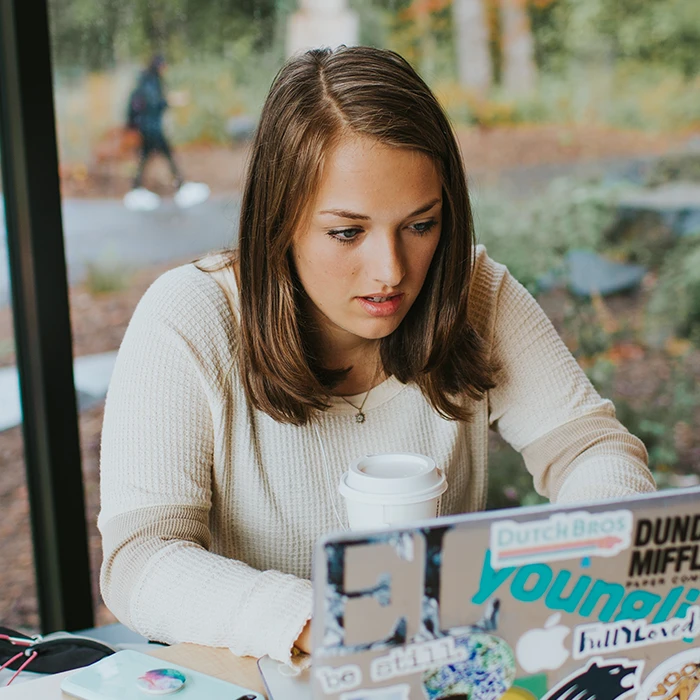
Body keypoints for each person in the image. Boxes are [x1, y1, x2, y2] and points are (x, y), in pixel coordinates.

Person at [98, 46, 655, 666]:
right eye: (347, 232)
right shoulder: (189, 316)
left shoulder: (473, 293)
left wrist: (591, 564)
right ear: (278, 220)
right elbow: (141, 559)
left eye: (421, 224)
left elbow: (591, 450)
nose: (391, 272)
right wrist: (335, 623)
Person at [124, 54, 190, 210]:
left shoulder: (148, 81)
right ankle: (180, 183)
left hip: (149, 127)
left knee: (147, 157)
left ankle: (136, 186)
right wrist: (170, 101)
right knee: (165, 154)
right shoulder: (150, 82)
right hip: (151, 128)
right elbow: (154, 104)